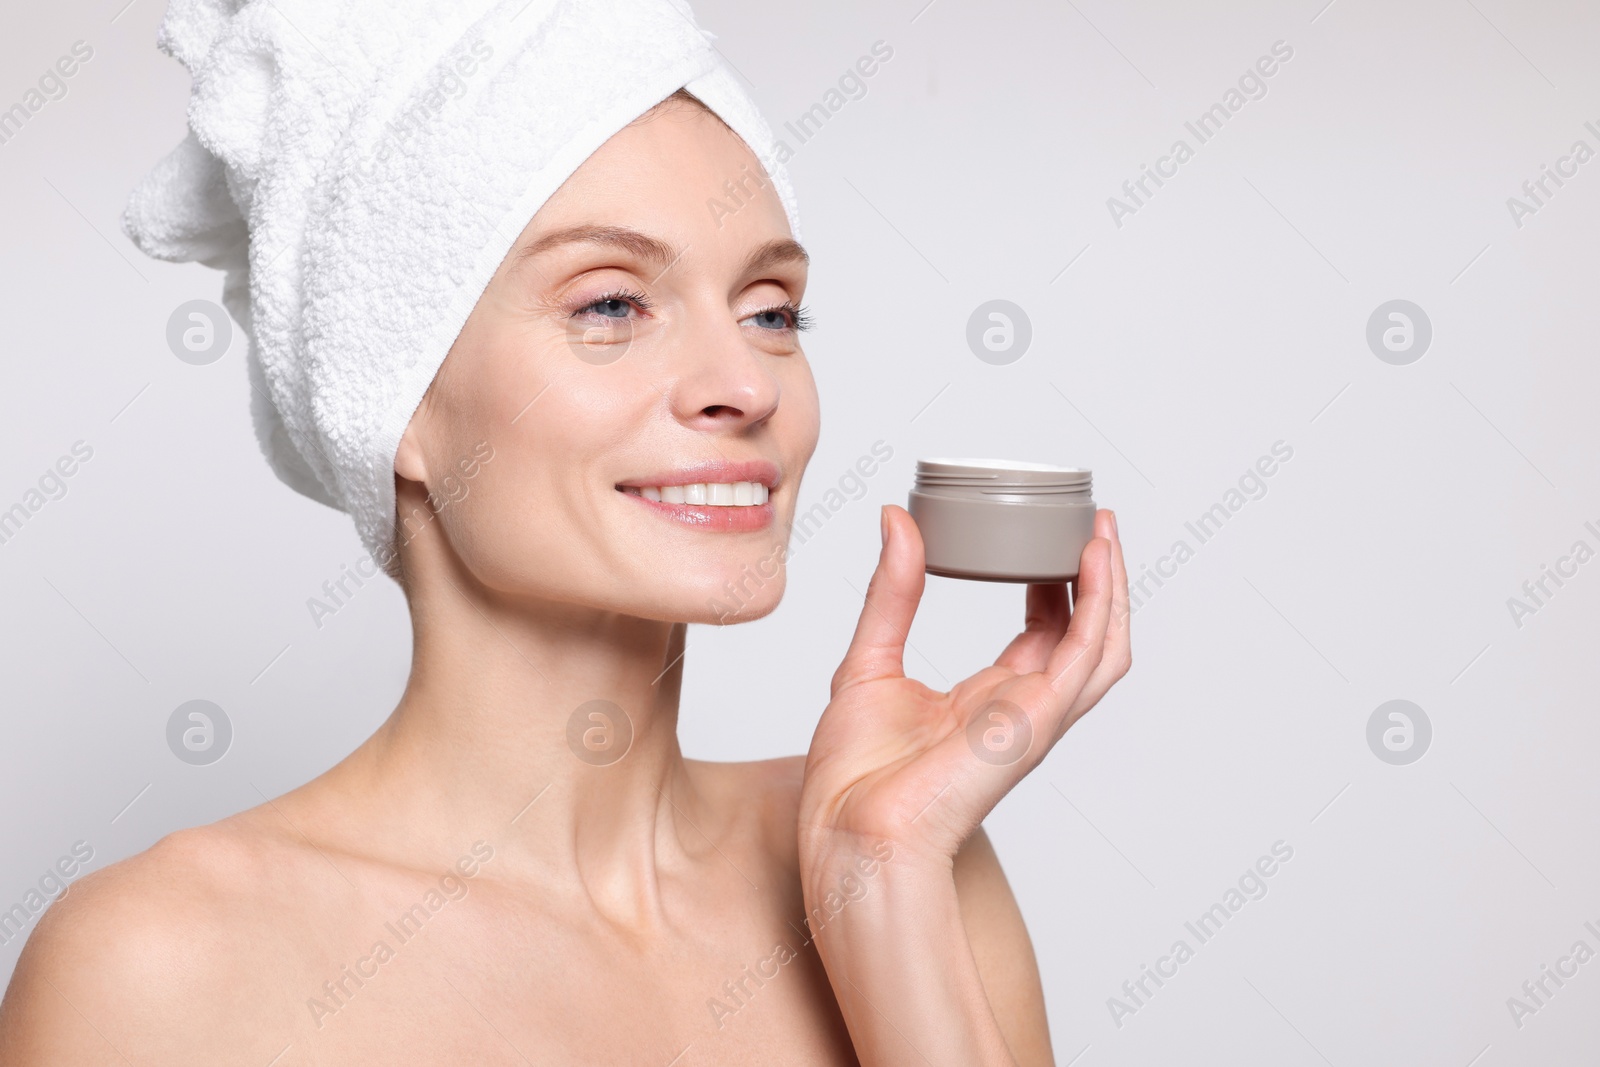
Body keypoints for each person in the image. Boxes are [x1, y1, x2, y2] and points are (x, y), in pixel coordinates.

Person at [0, 4, 1130, 1063]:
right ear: (392, 401)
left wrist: (880, 882)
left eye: (771, 310)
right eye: (608, 304)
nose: (744, 380)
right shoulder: (160, 971)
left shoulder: (905, 844)